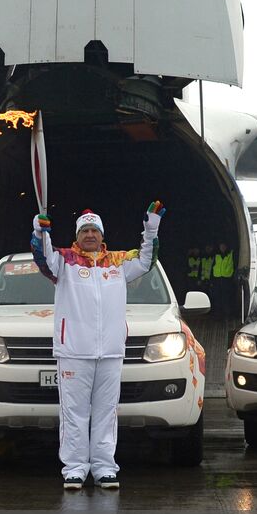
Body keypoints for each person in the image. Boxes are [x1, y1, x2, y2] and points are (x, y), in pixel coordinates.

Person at [31, 202, 165, 490]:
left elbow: (147, 259)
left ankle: (104, 467)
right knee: (74, 412)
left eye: (94, 230)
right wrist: (40, 231)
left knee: (106, 411)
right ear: (77, 236)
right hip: (74, 351)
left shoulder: (117, 262)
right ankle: (75, 468)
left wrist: (151, 228)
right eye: (84, 230)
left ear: (102, 235)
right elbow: (43, 257)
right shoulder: (64, 261)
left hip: (111, 351)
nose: (89, 235)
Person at [212, 241, 235, 317]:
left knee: (226, 297)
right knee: (217, 297)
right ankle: (218, 314)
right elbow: (212, 267)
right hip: (217, 279)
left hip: (227, 279)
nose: (222, 247)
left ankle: (227, 315)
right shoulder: (216, 255)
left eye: (224, 246)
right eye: (221, 246)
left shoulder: (231, 254)